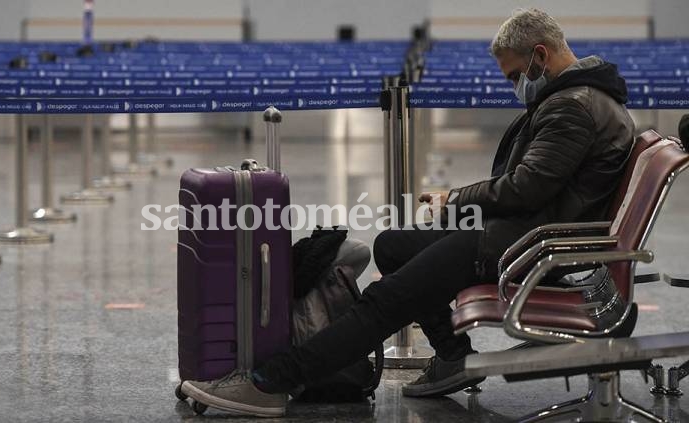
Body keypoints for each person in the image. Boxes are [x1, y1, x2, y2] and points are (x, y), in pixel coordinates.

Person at [180, 8, 635, 417]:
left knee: (387, 301)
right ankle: (453, 356)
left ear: (541, 54)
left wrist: (454, 200)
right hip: (522, 231)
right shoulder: (582, 98)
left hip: (522, 244)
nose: (516, 85)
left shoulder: (572, 107)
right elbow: (535, 188)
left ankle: (269, 382)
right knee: (392, 244)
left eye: (516, 74)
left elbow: (525, 188)